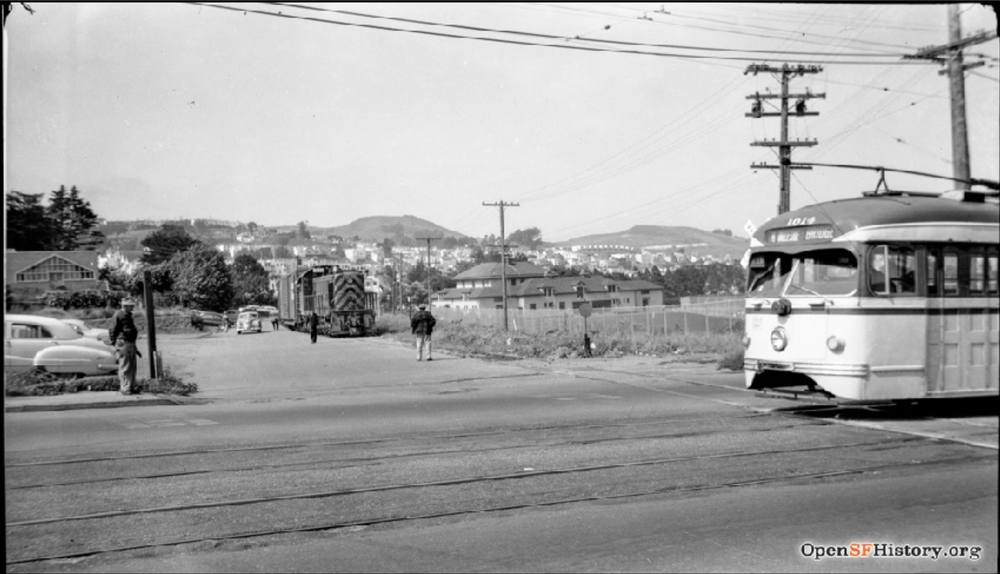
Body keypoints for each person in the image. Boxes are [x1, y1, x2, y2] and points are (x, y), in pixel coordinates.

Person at [110, 297, 140, 395]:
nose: (132, 308)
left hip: (130, 342)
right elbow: (112, 329)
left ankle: (131, 386)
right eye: (130, 306)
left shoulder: (128, 316)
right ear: (125, 306)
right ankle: (125, 387)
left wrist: (135, 348)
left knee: (132, 366)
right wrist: (114, 342)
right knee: (125, 365)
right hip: (123, 342)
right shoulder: (118, 315)